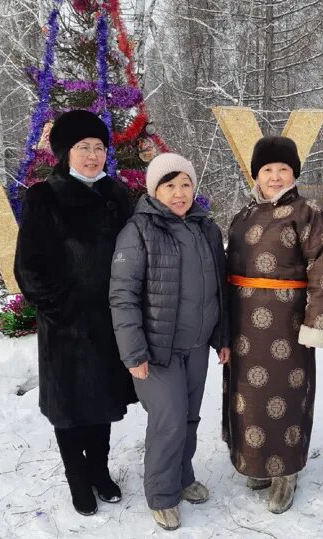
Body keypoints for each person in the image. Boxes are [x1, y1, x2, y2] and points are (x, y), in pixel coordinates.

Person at [14, 110, 137, 516]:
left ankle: (99, 471)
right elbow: (28, 267)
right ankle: (78, 479)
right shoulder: (44, 197)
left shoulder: (118, 195)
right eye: (83, 147)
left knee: (102, 403)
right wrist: (61, 312)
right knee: (69, 410)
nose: (92, 156)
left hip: (111, 323)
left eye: (99, 147)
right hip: (66, 328)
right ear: (65, 153)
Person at [109, 153, 230, 531]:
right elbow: (123, 294)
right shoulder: (138, 230)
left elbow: (219, 290)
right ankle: (161, 494)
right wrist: (133, 351)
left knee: (190, 417)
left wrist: (221, 335)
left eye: (185, 185)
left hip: (196, 346)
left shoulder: (206, 228)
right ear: (154, 190)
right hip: (157, 351)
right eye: (169, 185)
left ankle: (182, 476)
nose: (179, 194)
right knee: (169, 420)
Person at [223, 136, 323, 514]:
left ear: (294, 173)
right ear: (256, 173)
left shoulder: (307, 214)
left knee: (284, 396)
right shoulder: (243, 215)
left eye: (283, 169)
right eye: (267, 169)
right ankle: (257, 463)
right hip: (242, 326)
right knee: (249, 398)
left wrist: (316, 322)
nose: (275, 177)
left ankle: (285, 471)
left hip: (286, 327)